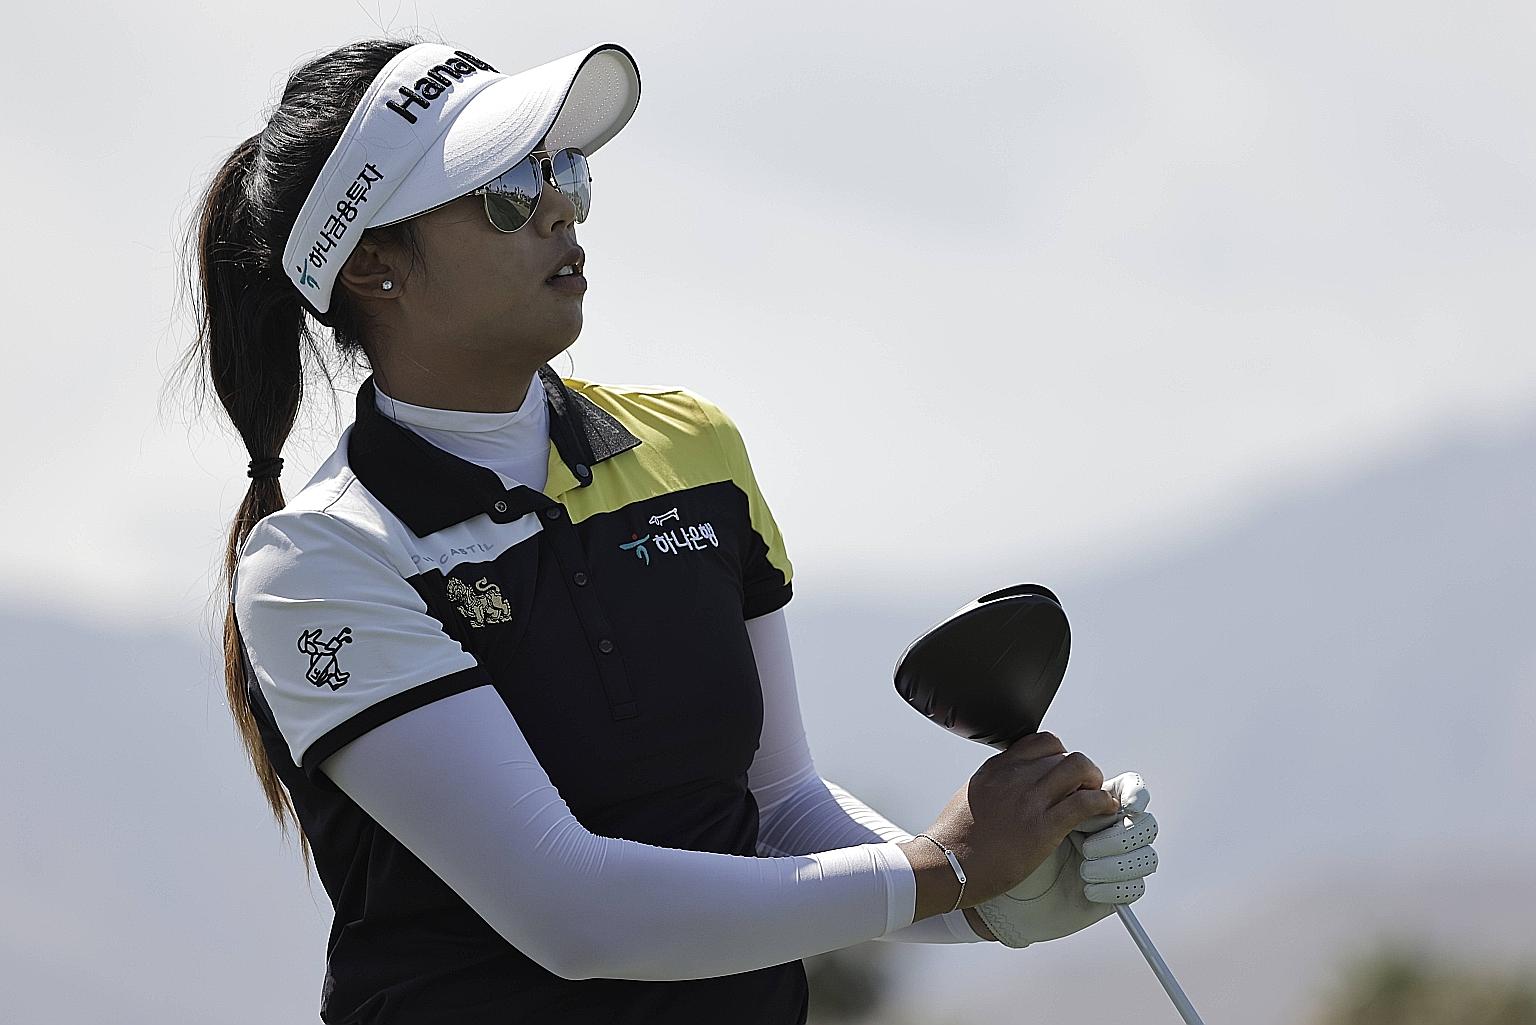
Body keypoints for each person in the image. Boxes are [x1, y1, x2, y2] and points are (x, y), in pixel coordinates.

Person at [181, 35, 1159, 1025]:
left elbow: (776, 810)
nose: (559, 203)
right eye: (505, 188)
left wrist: (994, 897)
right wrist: (944, 867)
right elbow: (572, 911)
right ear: (373, 266)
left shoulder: (692, 448)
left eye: (563, 167)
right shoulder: (319, 561)